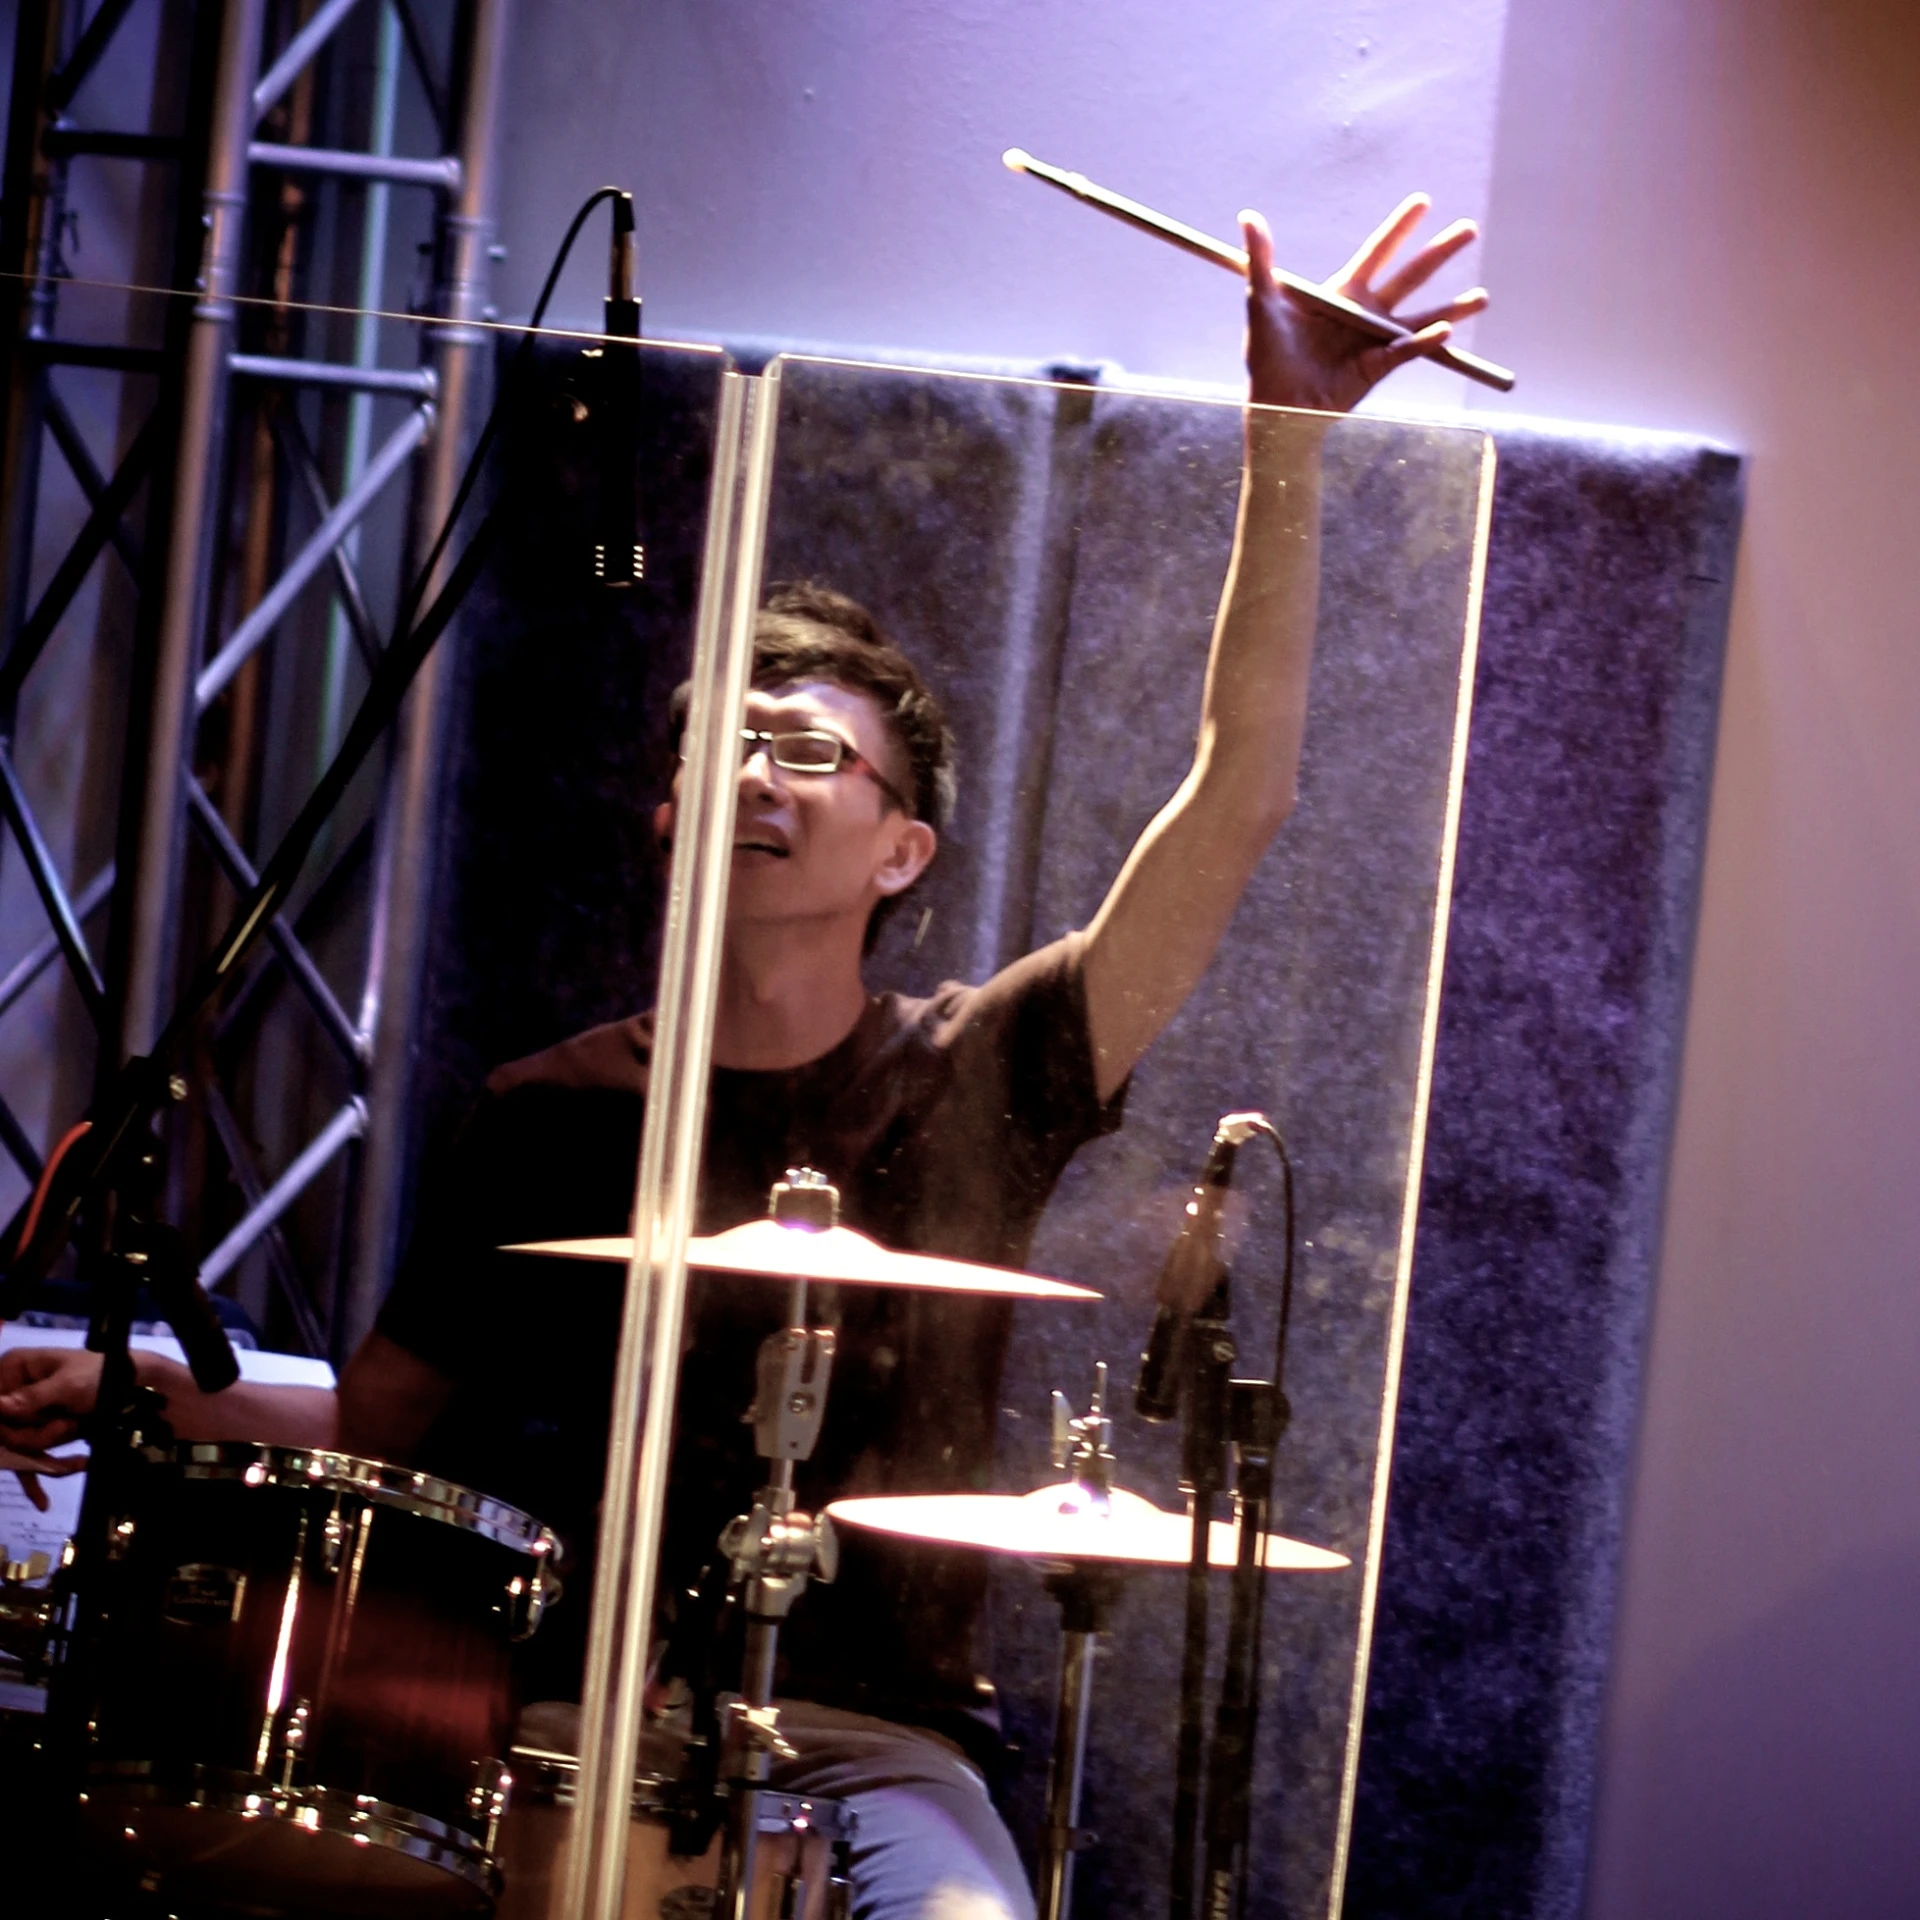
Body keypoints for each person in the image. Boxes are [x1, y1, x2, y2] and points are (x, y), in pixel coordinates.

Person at [0, 196, 1487, 1919]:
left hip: (873, 1738)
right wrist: (149, 1393)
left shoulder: (984, 1068)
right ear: (667, 820)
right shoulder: (547, 1110)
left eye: (806, 754)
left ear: (901, 851)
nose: (758, 780)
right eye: (725, 750)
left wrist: (1284, 437)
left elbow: (1242, 796)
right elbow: (394, 1422)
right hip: (547, 1711)